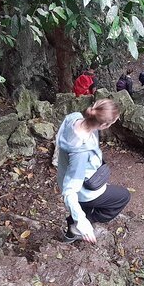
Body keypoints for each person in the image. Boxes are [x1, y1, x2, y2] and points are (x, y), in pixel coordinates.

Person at [56, 99, 131, 244]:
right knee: (122, 197)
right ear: (104, 125)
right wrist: (82, 223)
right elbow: (69, 191)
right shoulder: (80, 152)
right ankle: (75, 227)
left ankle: (71, 231)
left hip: (66, 173)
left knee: (85, 205)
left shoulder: (73, 117)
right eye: (112, 122)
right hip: (84, 190)